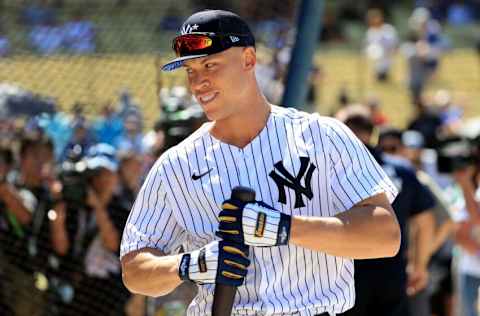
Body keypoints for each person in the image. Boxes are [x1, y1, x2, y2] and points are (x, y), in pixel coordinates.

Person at [120, 10, 401, 316]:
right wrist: (189, 264)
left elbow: (385, 236)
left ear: (249, 60)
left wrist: (285, 228)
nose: (198, 82)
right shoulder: (176, 164)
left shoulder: (322, 135)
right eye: (190, 70)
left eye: (210, 65)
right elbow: (134, 270)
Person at [337, 113, 435, 316]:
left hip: (344, 272)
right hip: (392, 271)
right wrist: (419, 265)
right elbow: (425, 220)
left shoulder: (334, 169)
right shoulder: (402, 169)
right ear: (372, 134)